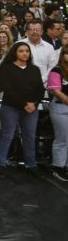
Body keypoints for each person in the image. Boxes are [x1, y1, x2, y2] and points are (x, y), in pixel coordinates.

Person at [0, 42, 45, 177]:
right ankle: (0, 164)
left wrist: (34, 103)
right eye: (21, 51)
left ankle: (31, 164)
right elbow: (8, 89)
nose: (24, 53)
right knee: (7, 135)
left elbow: (40, 89)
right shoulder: (6, 68)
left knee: (29, 136)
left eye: (27, 51)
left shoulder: (34, 69)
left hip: (31, 108)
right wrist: (25, 104)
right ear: (15, 53)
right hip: (11, 107)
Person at [48, 45, 68, 182]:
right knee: (62, 138)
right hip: (61, 108)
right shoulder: (57, 70)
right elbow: (56, 90)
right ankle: (58, 167)